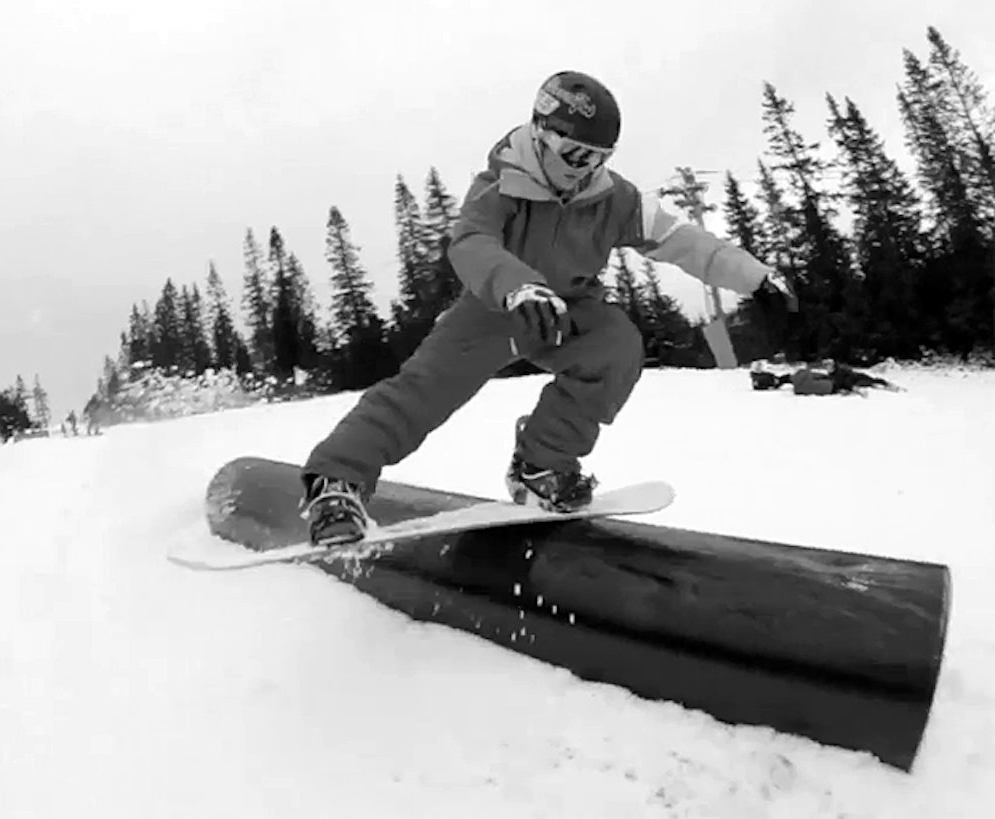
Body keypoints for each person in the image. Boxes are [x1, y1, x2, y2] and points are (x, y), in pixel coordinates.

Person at [299, 70, 798, 546]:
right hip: (496, 307)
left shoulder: (614, 198)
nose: (584, 169)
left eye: (597, 157)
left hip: (569, 310)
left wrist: (756, 279)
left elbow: (683, 241)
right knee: (422, 392)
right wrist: (517, 286)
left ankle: (542, 465)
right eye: (573, 153)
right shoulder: (502, 183)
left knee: (616, 346)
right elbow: (471, 242)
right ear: (541, 133)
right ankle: (337, 483)